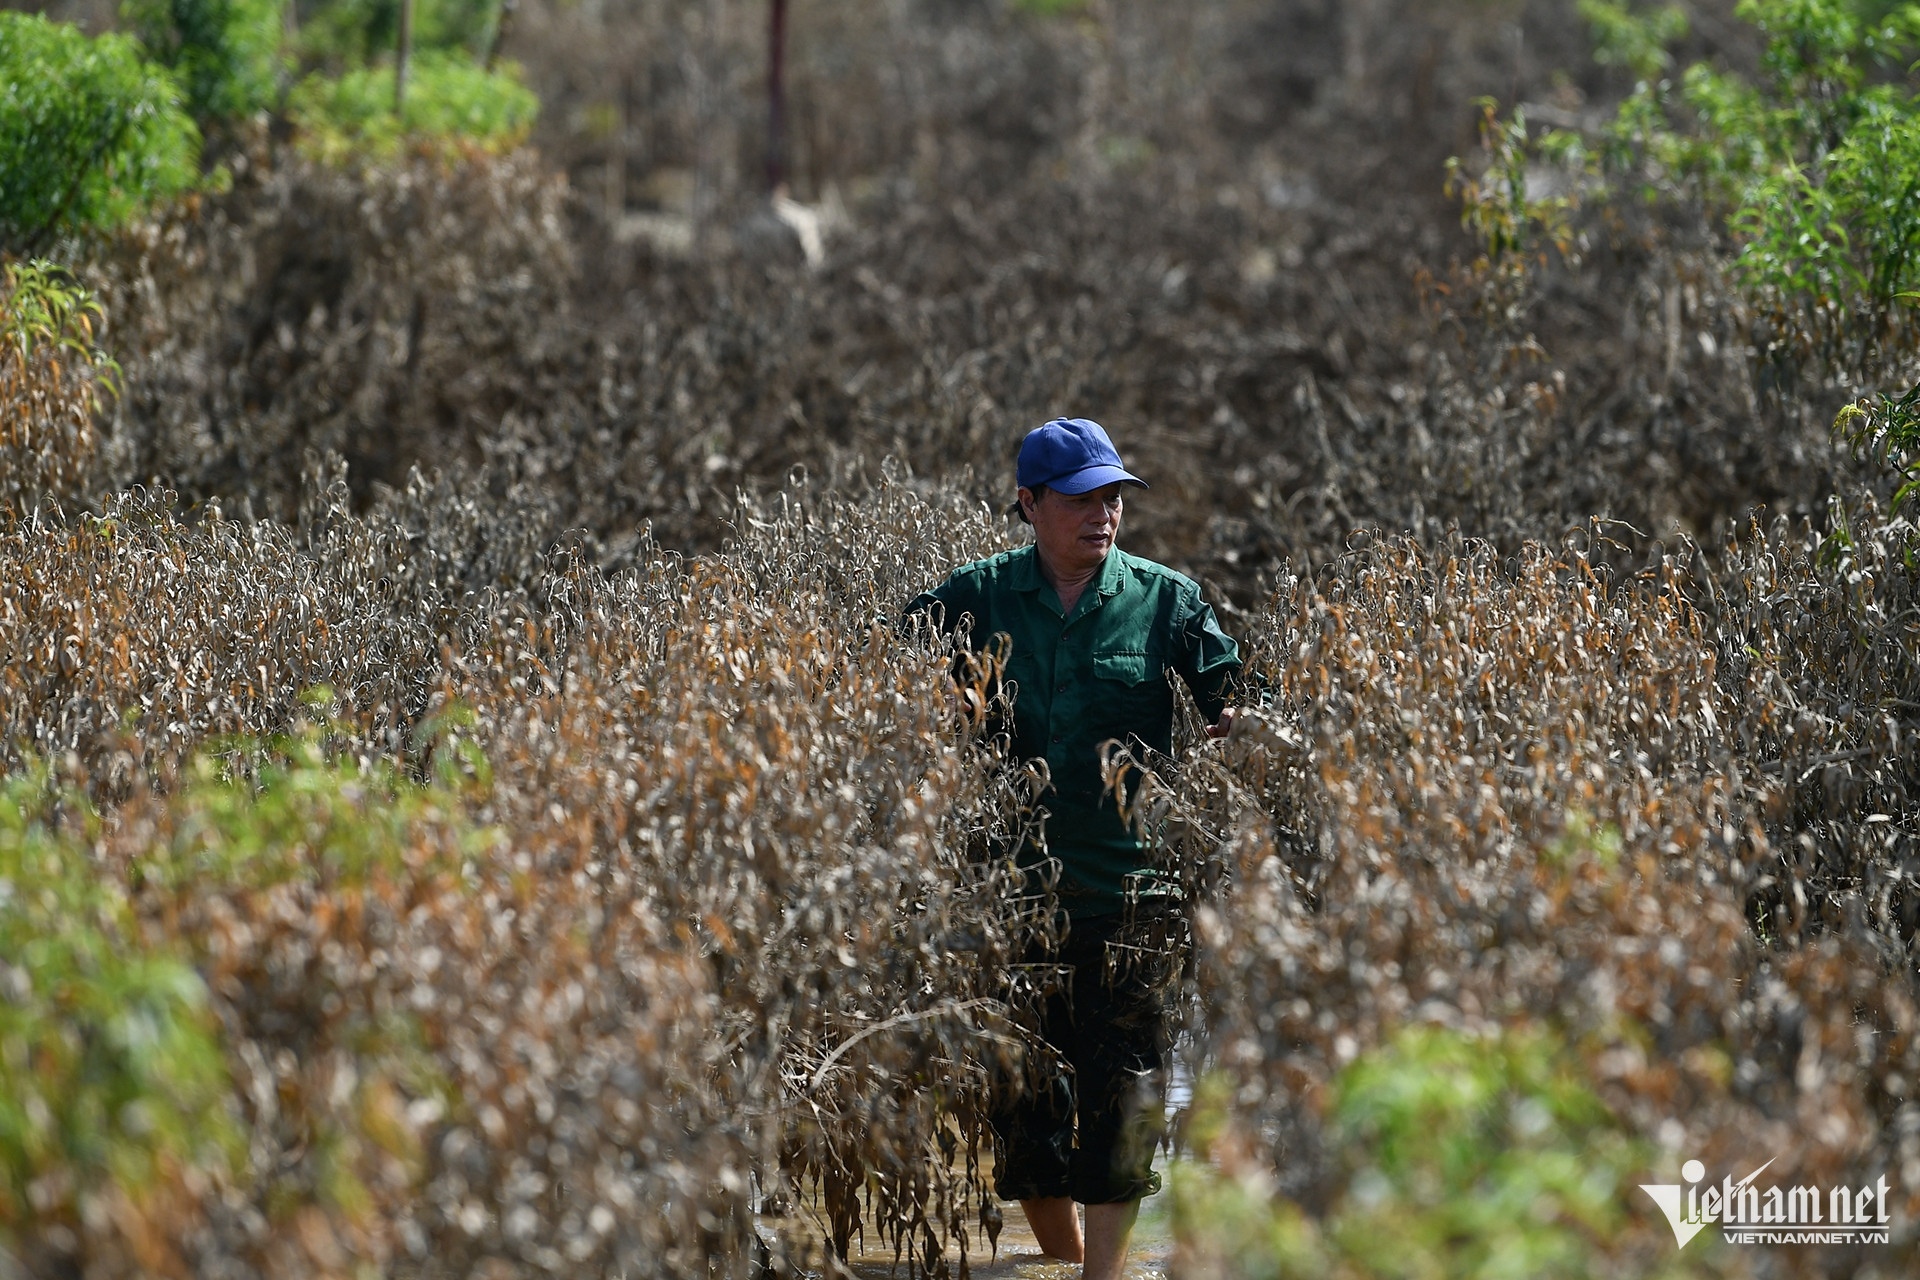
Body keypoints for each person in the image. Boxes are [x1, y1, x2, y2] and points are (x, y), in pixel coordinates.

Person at [904, 417, 1241, 1280]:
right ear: (1029, 502)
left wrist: (1247, 731)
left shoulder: (1167, 600)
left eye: (1114, 496)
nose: (1104, 512)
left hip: (1132, 898)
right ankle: (1062, 1263)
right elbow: (876, 682)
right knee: (1025, 1108)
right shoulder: (973, 598)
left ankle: (1103, 1276)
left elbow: (1238, 697)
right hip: (1008, 899)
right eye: (1083, 497)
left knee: (1125, 1098)